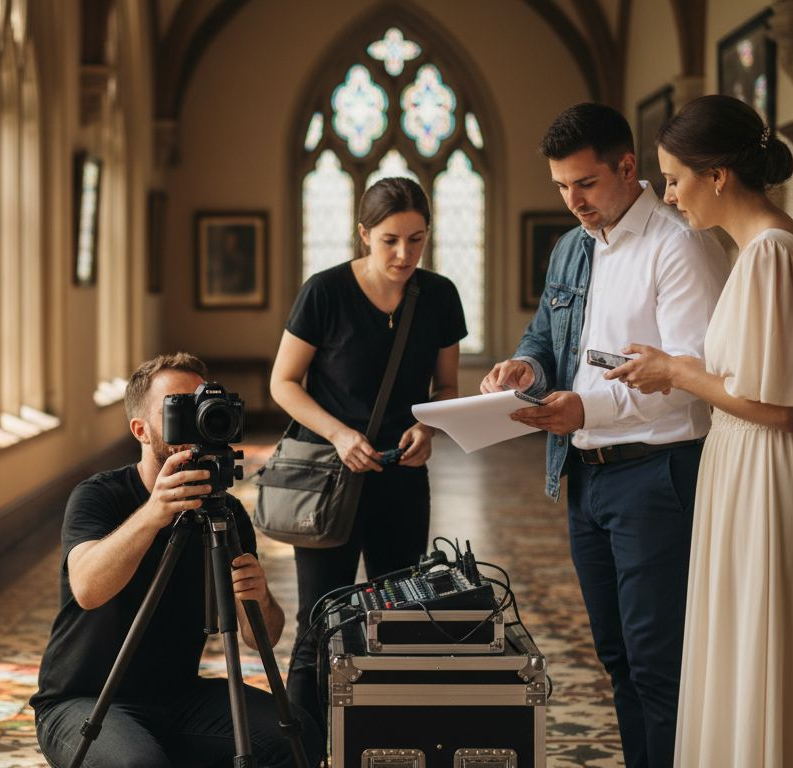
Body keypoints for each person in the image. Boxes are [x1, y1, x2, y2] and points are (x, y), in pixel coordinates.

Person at [608, 94, 793, 768]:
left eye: (673, 178)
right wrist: (687, 368)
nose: (668, 197)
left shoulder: (770, 255)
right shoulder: (766, 246)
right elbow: (761, 375)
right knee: (750, 639)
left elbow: (781, 407)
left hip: (769, 468)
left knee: (767, 638)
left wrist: (676, 371)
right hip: (752, 461)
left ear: (717, 175)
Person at [480, 103, 728, 768]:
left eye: (585, 184)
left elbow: (690, 377)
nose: (573, 202)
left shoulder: (681, 245)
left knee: (659, 663)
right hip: (587, 477)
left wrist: (584, 410)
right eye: (561, 187)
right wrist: (525, 366)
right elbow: (547, 333)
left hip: (659, 475)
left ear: (627, 167)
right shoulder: (573, 245)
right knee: (615, 656)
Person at [31, 353, 321, 768]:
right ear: (141, 430)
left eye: (202, 403)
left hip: (180, 698)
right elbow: (88, 589)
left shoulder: (227, 511)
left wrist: (257, 596)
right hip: (84, 700)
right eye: (178, 409)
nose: (195, 419)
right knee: (140, 765)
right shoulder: (99, 495)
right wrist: (155, 512)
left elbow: (263, 637)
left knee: (298, 735)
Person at [269, 176, 466, 741]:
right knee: (318, 620)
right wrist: (337, 435)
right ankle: (302, 747)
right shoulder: (324, 292)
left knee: (399, 617)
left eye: (417, 239)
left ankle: (385, 742)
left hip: (403, 478)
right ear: (363, 235)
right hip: (331, 481)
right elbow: (283, 382)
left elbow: (447, 387)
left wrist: (428, 427)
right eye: (389, 241)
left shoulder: (441, 295)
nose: (404, 254)